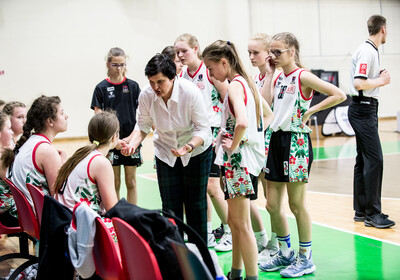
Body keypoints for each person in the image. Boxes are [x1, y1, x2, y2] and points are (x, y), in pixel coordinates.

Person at [259, 32, 346, 278]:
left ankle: (305, 258)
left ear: (292, 52)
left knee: (296, 204)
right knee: (272, 204)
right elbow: (265, 105)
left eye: (277, 52)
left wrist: (310, 112)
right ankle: (285, 252)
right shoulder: (276, 77)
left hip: (295, 142)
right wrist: (268, 74)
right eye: (271, 52)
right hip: (274, 140)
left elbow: (339, 95)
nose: (273, 56)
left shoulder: (303, 76)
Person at [122, 53, 212, 243]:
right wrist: (132, 145)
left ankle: (199, 254)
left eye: (160, 82)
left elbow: (204, 130)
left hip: (195, 151)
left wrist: (188, 147)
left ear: (173, 77)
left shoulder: (190, 92)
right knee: (170, 207)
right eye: (152, 82)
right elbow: (143, 125)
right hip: (165, 152)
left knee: (196, 205)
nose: (156, 87)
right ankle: (176, 254)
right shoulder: (147, 94)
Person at [203, 40, 274, 280]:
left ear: (224, 62)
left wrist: (233, 143)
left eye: (211, 68)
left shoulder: (235, 86)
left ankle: (251, 276)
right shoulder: (247, 82)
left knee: (241, 225)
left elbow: (242, 122)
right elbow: (268, 115)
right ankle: (236, 272)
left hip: (239, 162)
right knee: (234, 221)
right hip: (245, 161)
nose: (209, 74)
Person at [175, 33, 231, 250]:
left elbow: (230, 98)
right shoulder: (180, 77)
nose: (180, 55)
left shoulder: (209, 72)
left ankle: (230, 230)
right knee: (199, 187)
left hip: (214, 133)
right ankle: (206, 233)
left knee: (212, 186)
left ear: (195, 49)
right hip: (194, 136)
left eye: (184, 51)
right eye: (177, 51)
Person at [348, 15, 394, 229]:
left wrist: (376, 79)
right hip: (363, 109)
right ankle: (373, 214)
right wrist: (382, 81)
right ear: (383, 29)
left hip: (364, 108)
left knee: (364, 160)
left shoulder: (369, 50)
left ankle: (362, 210)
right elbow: (359, 83)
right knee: (375, 160)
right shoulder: (368, 50)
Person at [54, 111, 119, 241]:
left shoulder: (83, 154)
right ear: (114, 137)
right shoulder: (101, 162)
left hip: (65, 222)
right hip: (79, 229)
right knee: (133, 233)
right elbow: (113, 210)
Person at [91, 47, 142, 205]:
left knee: (131, 182)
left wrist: (132, 139)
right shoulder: (101, 88)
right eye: (115, 65)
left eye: (122, 65)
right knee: (115, 183)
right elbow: (98, 118)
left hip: (131, 140)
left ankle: (132, 215)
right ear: (108, 64)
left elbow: (142, 115)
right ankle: (116, 216)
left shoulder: (133, 86)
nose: (119, 68)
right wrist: (113, 141)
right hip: (111, 142)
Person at [1, 95, 68, 211]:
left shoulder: (30, 142)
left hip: (31, 215)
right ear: (50, 121)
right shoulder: (46, 150)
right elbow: (60, 197)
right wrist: (64, 165)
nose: (67, 116)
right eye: (62, 113)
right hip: (44, 218)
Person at [248, 32, 279, 261]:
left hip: (275, 142)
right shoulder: (256, 77)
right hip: (261, 142)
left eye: (255, 52)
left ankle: (277, 244)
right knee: (266, 199)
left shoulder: (275, 75)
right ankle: (269, 242)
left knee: (272, 201)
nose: (250, 56)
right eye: (249, 52)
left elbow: (267, 106)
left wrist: (268, 74)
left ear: (268, 54)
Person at [0, 112, 18, 227]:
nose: (12, 132)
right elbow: (14, 183)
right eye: (9, 128)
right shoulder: (1, 157)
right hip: (6, 211)